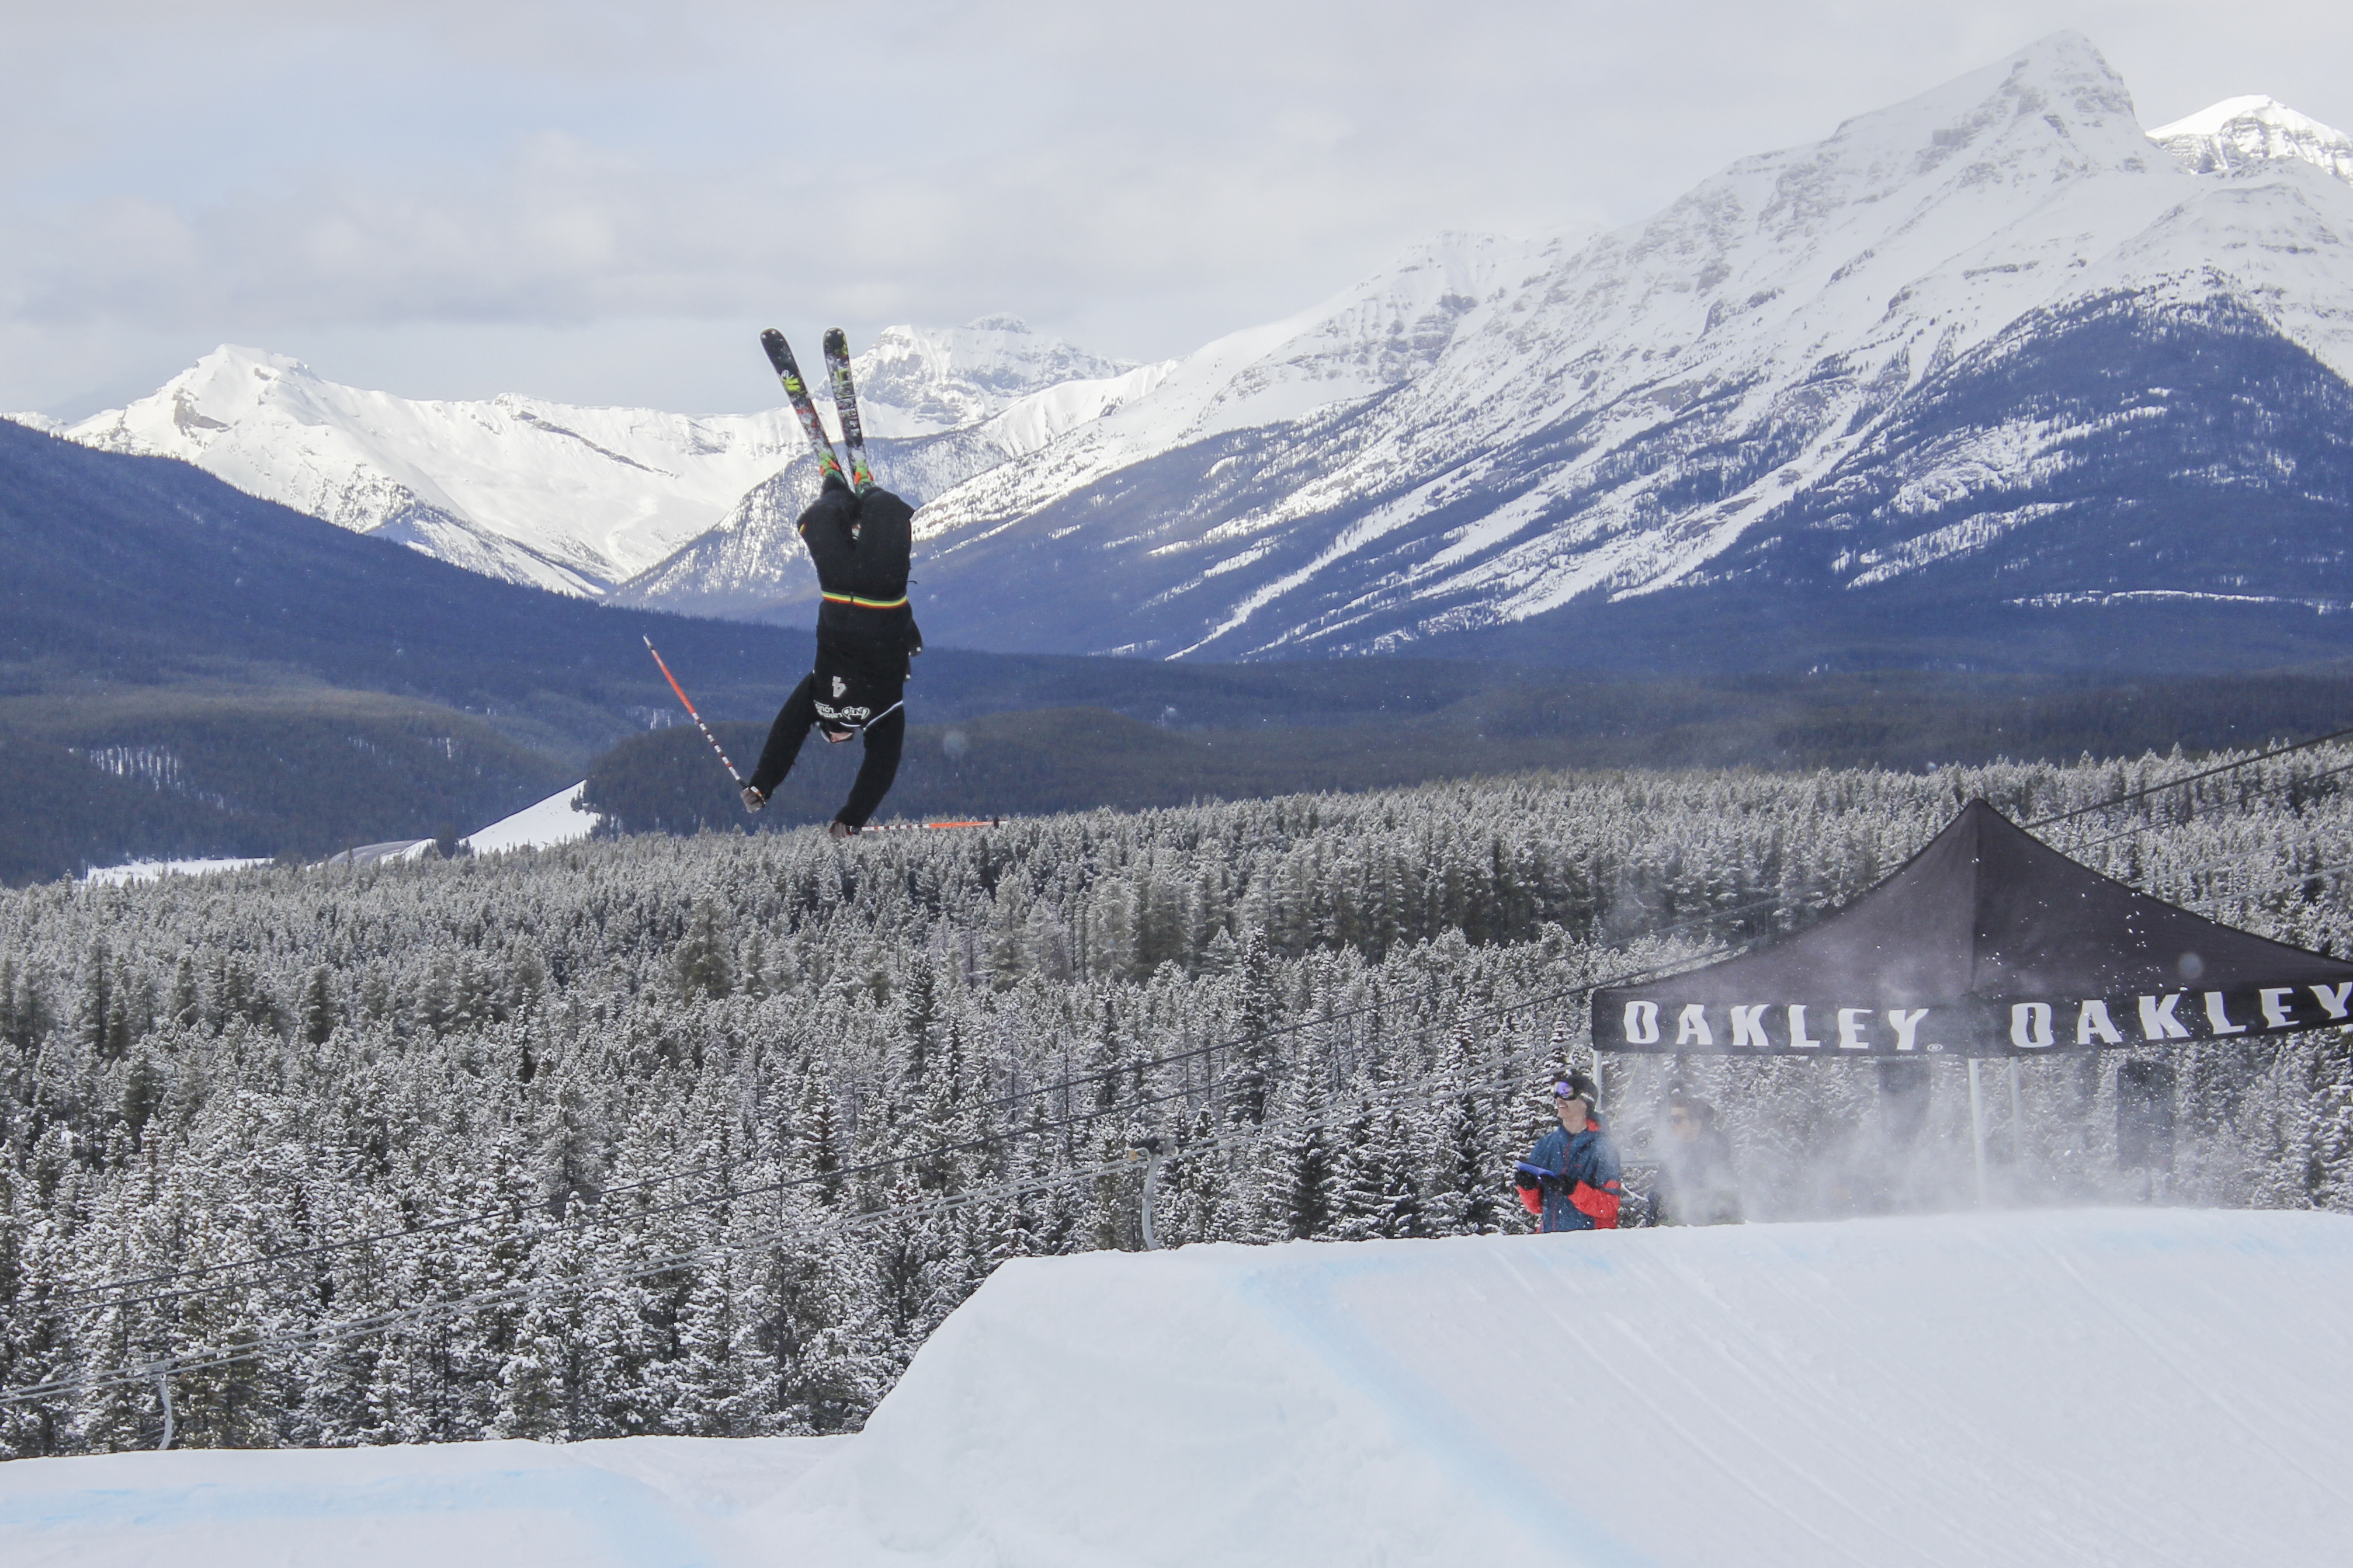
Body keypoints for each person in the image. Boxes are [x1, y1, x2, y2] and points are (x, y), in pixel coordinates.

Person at [739, 475, 923, 836]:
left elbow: (787, 733)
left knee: (817, 522)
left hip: (844, 596)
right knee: (865, 514)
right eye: (842, 740)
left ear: (825, 729)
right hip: (879, 599)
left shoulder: (817, 698)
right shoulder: (881, 715)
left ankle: (842, 492)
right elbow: (880, 769)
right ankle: (864, 494)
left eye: (831, 739)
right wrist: (852, 817)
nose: (838, 739)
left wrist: (763, 785)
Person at [1514, 1073, 1623, 1232]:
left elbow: (1609, 1206)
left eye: (1566, 1092)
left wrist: (1574, 1190)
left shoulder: (1604, 1148)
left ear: (1585, 1102)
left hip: (1590, 1241)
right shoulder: (1546, 1144)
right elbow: (1537, 1208)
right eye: (1556, 1093)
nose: (1559, 1099)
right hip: (1551, 1240)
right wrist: (1528, 1188)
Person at [1651, 1086, 1743, 1226]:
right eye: (1670, 1119)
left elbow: (1727, 1213)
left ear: (1696, 1124)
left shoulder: (1716, 1161)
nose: (1672, 1125)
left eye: (1677, 1120)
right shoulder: (1671, 1163)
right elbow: (1654, 1208)